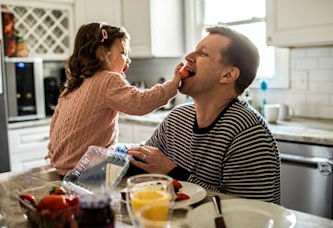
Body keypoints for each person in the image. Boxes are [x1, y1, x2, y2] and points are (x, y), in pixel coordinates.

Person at [128, 26, 281, 204]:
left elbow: (246, 211)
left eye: (202, 53)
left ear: (228, 74)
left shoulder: (249, 134)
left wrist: (172, 172)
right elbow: (145, 168)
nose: (188, 57)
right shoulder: (177, 118)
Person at [47, 23, 181, 175]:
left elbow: (54, 125)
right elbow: (140, 103)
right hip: (91, 167)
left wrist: (53, 151)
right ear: (103, 53)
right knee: (145, 154)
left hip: (63, 166)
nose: (128, 60)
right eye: (123, 52)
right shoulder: (108, 80)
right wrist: (173, 85)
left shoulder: (72, 86)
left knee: (131, 148)